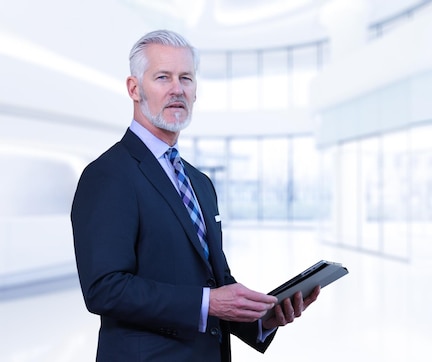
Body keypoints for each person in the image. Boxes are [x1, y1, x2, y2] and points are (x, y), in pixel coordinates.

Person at [71, 29, 320, 362]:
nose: (177, 89)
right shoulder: (108, 175)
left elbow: (216, 282)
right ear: (134, 88)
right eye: (163, 77)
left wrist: (262, 319)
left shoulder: (199, 182)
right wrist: (207, 303)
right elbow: (105, 288)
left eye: (186, 78)